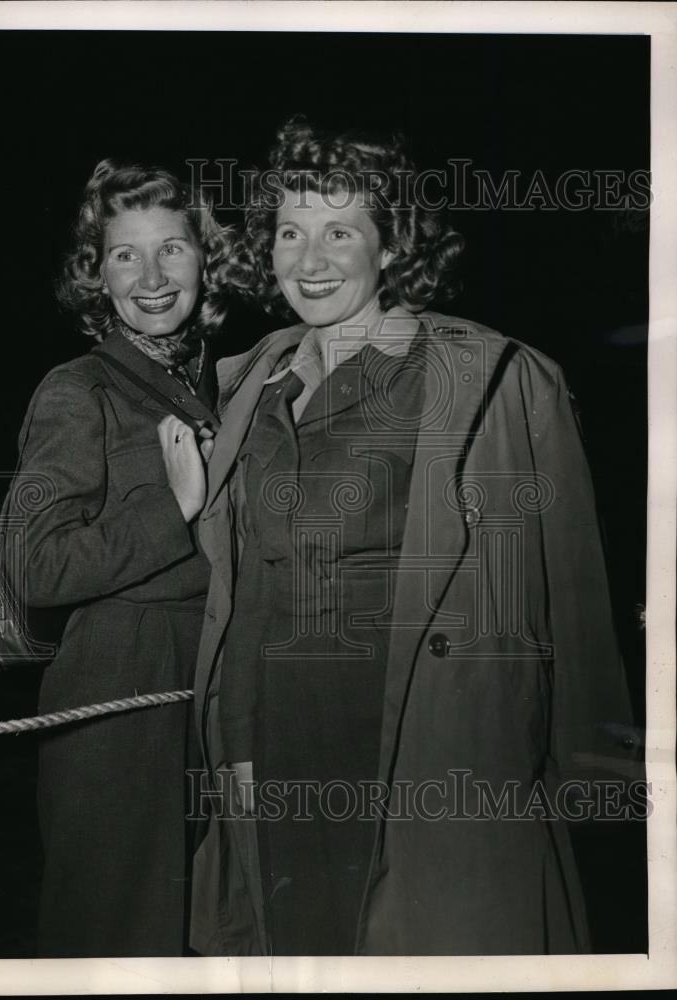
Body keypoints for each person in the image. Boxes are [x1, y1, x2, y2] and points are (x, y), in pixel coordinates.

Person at [173, 119, 637, 956]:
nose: (308, 260)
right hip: (280, 732)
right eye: (289, 231)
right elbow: (244, 585)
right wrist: (235, 745)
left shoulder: (488, 377)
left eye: (340, 231)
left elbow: (570, 580)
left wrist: (592, 766)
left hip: (425, 735)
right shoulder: (251, 384)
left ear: (391, 248)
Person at [0, 159, 231, 956]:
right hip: (118, 718)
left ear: (207, 258)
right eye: (125, 254)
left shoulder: (227, 384)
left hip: (216, 705)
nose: (152, 276)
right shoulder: (78, 390)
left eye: (171, 248)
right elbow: (34, 567)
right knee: (118, 944)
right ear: (95, 274)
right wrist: (173, 505)